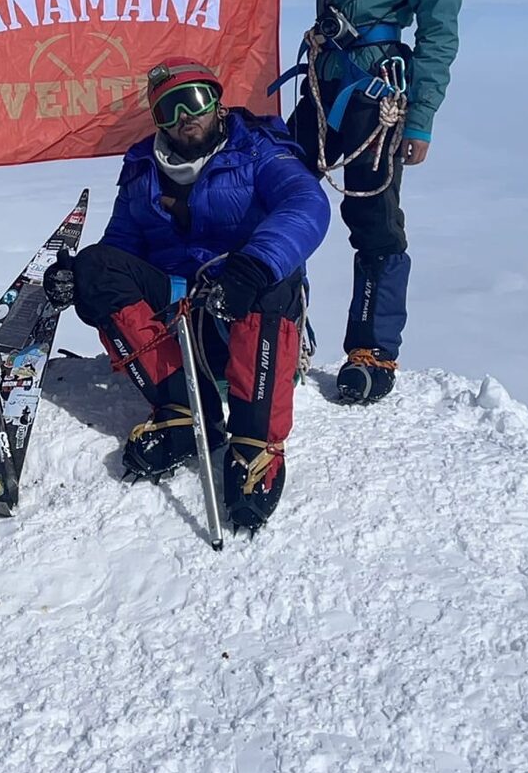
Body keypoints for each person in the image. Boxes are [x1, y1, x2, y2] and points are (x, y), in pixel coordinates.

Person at [43, 58, 330, 533]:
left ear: (217, 102)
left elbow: (306, 204)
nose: (184, 116)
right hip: (181, 320)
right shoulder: (141, 169)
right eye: (169, 108)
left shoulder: (259, 149)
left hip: (248, 315)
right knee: (96, 266)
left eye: (194, 101)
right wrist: (80, 279)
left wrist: (251, 265)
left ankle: (255, 444)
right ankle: (181, 413)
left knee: (275, 275)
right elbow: (121, 250)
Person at [272, 0, 462, 405]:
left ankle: (373, 352)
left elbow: (439, 29)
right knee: (277, 195)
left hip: (374, 86)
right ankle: (281, 331)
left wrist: (423, 116)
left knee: (374, 221)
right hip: (325, 79)